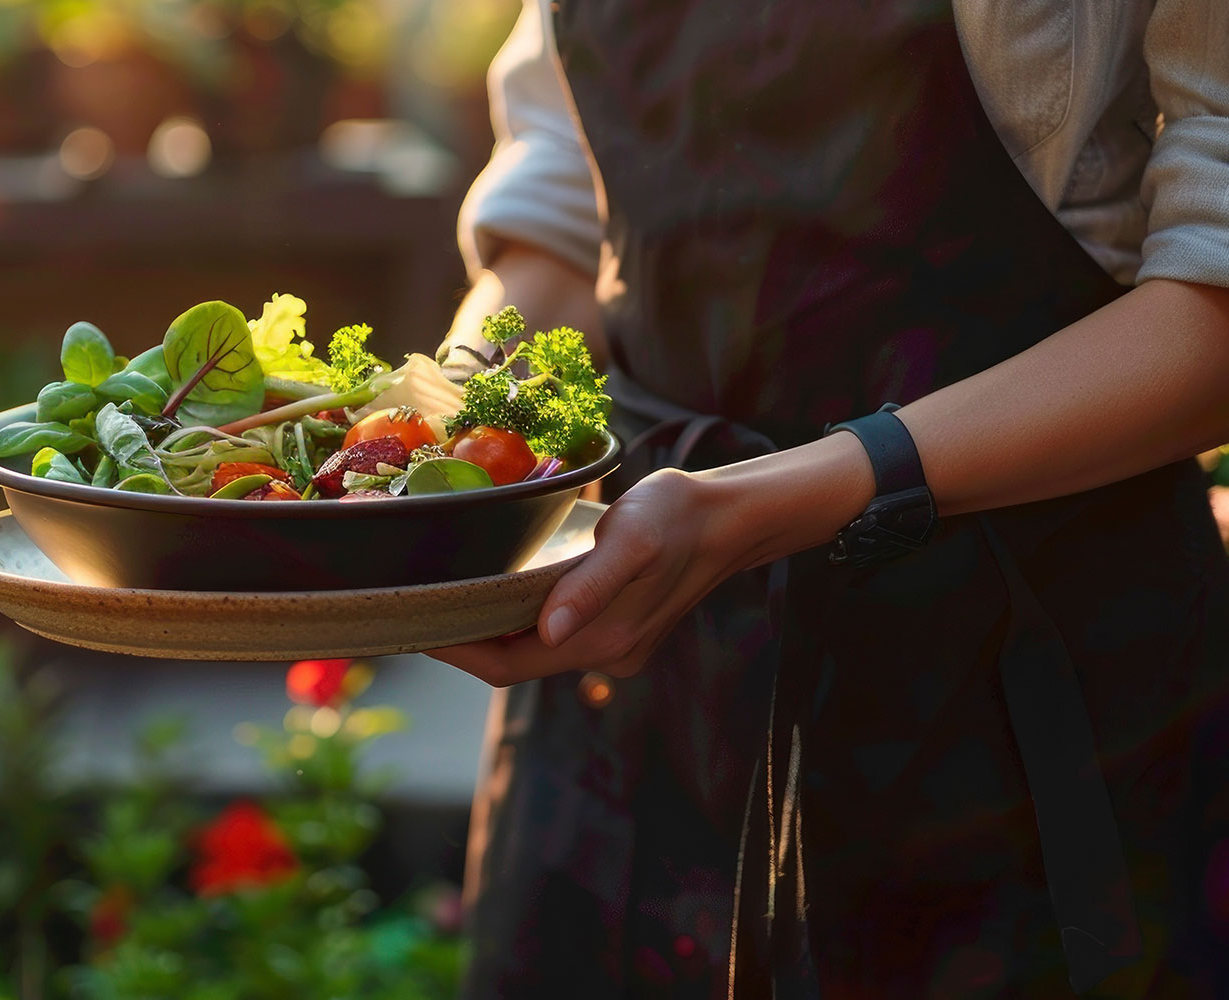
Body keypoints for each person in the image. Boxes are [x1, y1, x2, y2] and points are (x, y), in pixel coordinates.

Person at [429, 0, 1229, 997]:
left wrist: (780, 500)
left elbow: (1215, 294)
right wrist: (441, 443)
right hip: (635, 663)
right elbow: (560, 224)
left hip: (1017, 681)